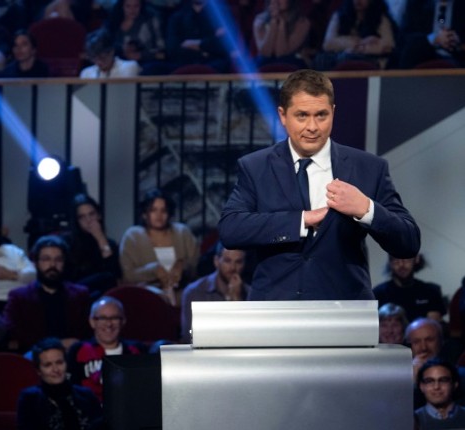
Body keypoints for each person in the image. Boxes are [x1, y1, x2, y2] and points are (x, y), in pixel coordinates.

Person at [218, 69, 420, 301]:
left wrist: (367, 208)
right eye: (302, 115)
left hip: (344, 310)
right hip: (275, 309)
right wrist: (302, 220)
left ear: (333, 113)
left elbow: (409, 242)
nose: (312, 126)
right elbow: (230, 230)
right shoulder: (256, 167)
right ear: (283, 116)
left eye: (321, 115)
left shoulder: (368, 167)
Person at [3, 235, 91, 352]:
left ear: (64, 263)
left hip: (73, 356)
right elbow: (13, 333)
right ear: (35, 263)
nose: (52, 265)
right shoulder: (19, 297)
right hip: (34, 357)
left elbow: (88, 331)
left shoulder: (80, 295)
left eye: (58, 260)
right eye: (46, 259)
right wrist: (57, 344)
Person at [119, 189, 198, 307]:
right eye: (153, 210)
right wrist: (154, 270)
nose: (159, 215)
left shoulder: (182, 232)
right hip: (147, 295)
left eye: (163, 211)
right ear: (145, 214)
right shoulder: (133, 236)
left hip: (182, 292)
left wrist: (182, 268)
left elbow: (194, 267)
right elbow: (128, 275)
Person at [66, 297, 146, 401]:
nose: (109, 324)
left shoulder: (137, 350)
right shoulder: (78, 351)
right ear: (92, 321)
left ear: (123, 321)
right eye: (102, 318)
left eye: (114, 318)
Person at [17, 337, 103, 430]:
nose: (55, 369)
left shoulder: (86, 395)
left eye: (59, 362)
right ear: (38, 370)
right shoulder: (30, 398)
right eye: (48, 365)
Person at [180, 244, 248, 343]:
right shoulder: (194, 292)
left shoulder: (250, 292)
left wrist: (237, 301)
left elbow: (248, 337)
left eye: (238, 262)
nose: (233, 268)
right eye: (227, 261)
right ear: (216, 261)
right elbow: (188, 337)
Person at [64, 194, 122, 299]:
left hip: (103, 295)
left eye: (91, 214)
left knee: (107, 279)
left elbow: (115, 274)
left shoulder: (110, 244)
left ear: (98, 215)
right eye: (82, 217)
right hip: (76, 293)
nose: (88, 220)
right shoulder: (67, 242)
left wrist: (101, 239)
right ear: (77, 221)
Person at [318, 0, 396, 69]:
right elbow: (328, 43)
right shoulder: (339, 16)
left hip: (369, 57)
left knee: (347, 58)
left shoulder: (380, 18)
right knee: (321, 59)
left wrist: (363, 48)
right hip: (343, 54)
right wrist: (356, 42)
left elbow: (388, 45)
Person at [373, 254, 446, 322]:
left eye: (406, 259)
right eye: (396, 260)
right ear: (390, 263)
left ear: (416, 259)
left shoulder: (431, 291)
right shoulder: (378, 294)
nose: (401, 265)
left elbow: (433, 328)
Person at [165, 0, 231, 72]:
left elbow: (224, 45)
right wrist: (204, 51)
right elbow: (173, 49)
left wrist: (199, 44)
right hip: (184, 64)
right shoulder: (177, 17)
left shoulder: (221, 16)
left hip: (215, 64)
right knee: (154, 68)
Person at [398, 0, 464, 68]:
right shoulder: (417, 4)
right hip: (423, 60)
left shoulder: (461, 6)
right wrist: (434, 38)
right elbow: (407, 38)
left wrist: (458, 42)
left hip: (456, 62)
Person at [252, 0, 310, 69]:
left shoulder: (302, 22)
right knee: (256, 63)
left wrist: (282, 23)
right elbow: (265, 52)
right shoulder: (260, 20)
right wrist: (274, 21)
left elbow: (281, 53)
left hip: (291, 60)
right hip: (265, 60)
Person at [104, 0, 165, 64]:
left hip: (145, 64)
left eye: (136, 6)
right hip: (117, 63)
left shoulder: (150, 22)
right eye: (128, 6)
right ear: (122, 7)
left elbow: (161, 53)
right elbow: (105, 46)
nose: (132, 10)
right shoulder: (113, 22)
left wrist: (141, 55)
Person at [415, 359, 465, 429]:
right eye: (429, 381)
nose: (436, 387)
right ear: (421, 386)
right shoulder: (412, 420)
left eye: (443, 380)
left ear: (454, 384)